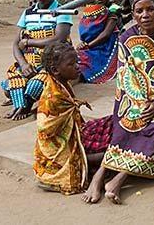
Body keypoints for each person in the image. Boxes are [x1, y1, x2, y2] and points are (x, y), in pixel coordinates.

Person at [82, 0, 154, 205]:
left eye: (150, 9)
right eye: (139, 11)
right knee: (127, 120)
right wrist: (136, 102)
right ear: (134, 13)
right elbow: (124, 76)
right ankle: (101, 174)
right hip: (131, 97)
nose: (145, 15)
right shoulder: (126, 37)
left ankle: (118, 178)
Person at [1, 0, 72, 121]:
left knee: (34, 86)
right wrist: (23, 64)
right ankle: (21, 102)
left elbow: (59, 39)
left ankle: (24, 106)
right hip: (29, 62)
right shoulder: (27, 13)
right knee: (10, 86)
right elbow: (16, 44)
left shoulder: (63, 10)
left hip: (50, 63)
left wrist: (28, 42)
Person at [33, 42, 95, 194]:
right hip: (58, 150)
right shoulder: (52, 97)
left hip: (72, 135)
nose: (77, 66)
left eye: (77, 62)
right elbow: (44, 127)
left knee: (110, 124)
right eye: (71, 64)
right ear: (55, 70)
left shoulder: (61, 84)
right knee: (109, 150)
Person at [77, 0, 119, 84]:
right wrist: (83, 43)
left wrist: (88, 45)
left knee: (86, 66)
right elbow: (87, 31)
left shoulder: (112, 12)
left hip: (105, 48)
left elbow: (105, 35)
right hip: (91, 46)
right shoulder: (91, 12)